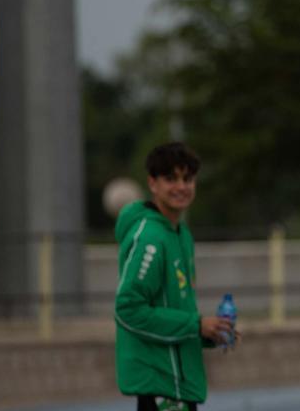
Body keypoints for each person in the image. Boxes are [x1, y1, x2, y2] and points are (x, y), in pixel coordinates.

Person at [114, 142, 234, 411]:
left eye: (188, 179)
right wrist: (195, 325)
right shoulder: (150, 238)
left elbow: (173, 307)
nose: (181, 186)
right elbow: (128, 309)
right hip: (162, 385)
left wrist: (207, 332)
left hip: (179, 381)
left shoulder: (180, 233)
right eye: (171, 179)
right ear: (153, 183)